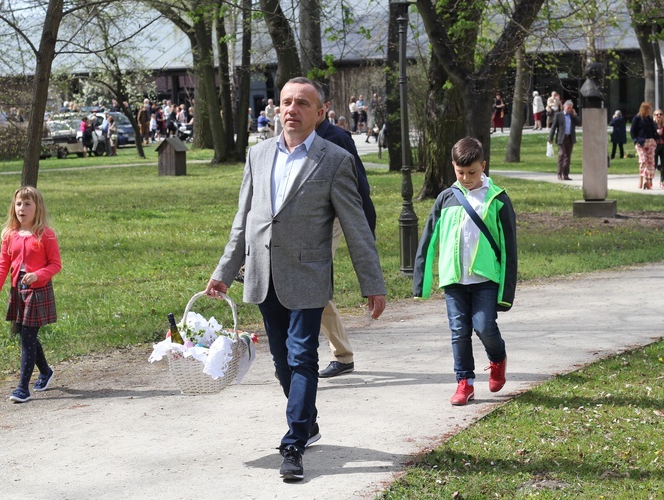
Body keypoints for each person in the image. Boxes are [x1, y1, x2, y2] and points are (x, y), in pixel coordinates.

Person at [204, 77, 386, 481]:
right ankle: (309, 421)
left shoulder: (336, 160)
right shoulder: (258, 155)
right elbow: (244, 221)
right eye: (286, 102)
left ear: (320, 113)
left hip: (308, 275)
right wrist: (223, 272)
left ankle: (294, 442)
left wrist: (372, 282)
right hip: (264, 274)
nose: (292, 110)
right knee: (284, 363)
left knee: (303, 356)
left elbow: (356, 227)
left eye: (302, 103)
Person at [413, 137, 517, 406]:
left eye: (472, 172)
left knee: (484, 327)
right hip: (454, 280)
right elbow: (428, 240)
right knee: (459, 331)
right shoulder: (446, 198)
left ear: (483, 165)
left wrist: (506, 293)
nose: (467, 177)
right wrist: (421, 283)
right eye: (461, 172)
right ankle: (465, 383)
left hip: (485, 280)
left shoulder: (498, 199)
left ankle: (497, 359)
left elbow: (509, 250)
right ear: (453, 167)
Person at [314, 93, 377, 378]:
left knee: (312, 281)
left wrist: (366, 228)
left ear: (323, 109)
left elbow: (359, 184)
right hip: (304, 223)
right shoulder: (291, 140)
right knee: (308, 283)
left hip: (333, 219)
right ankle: (337, 354)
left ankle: (341, 355)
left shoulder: (336, 138)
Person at [0, 186, 62, 403]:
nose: (22, 208)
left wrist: (38, 275)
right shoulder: (10, 235)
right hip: (18, 291)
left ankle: (22, 388)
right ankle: (45, 371)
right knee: (26, 335)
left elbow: (56, 265)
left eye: (28, 204)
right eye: (19, 204)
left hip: (38, 292)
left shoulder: (46, 235)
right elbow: (3, 264)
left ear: (38, 208)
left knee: (27, 338)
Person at [548, 100, 581, 181]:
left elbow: (580, 123)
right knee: (561, 154)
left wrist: (575, 114)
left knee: (567, 157)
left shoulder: (572, 116)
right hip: (561, 138)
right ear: (564, 107)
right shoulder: (558, 115)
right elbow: (553, 128)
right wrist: (550, 138)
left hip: (570, 138)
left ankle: (566, 175)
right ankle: (559, 174)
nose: (569, 109)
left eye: (571, 108)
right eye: (568, 108)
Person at [630, 102, 657, 190]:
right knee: (643, 160)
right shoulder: (637, 118)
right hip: (641, 142)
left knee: (650, 162)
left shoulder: (650, 119)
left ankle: (646, 180)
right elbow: (632, 131)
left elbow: (653, 130)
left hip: (651, 142)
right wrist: (635, 141)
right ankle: (644, 179)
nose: (650, 110)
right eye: (649, 108)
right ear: (644, 109)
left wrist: (655, 139)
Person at [654, 109, 664, 188]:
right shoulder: (652, 125)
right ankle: (649, 180)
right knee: (654, 164)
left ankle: (662, 181)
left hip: (663, 145)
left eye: (660, 114)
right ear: (654, 116)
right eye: (657, 114)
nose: (659, 116)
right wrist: (656, 133)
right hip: (655, 146)